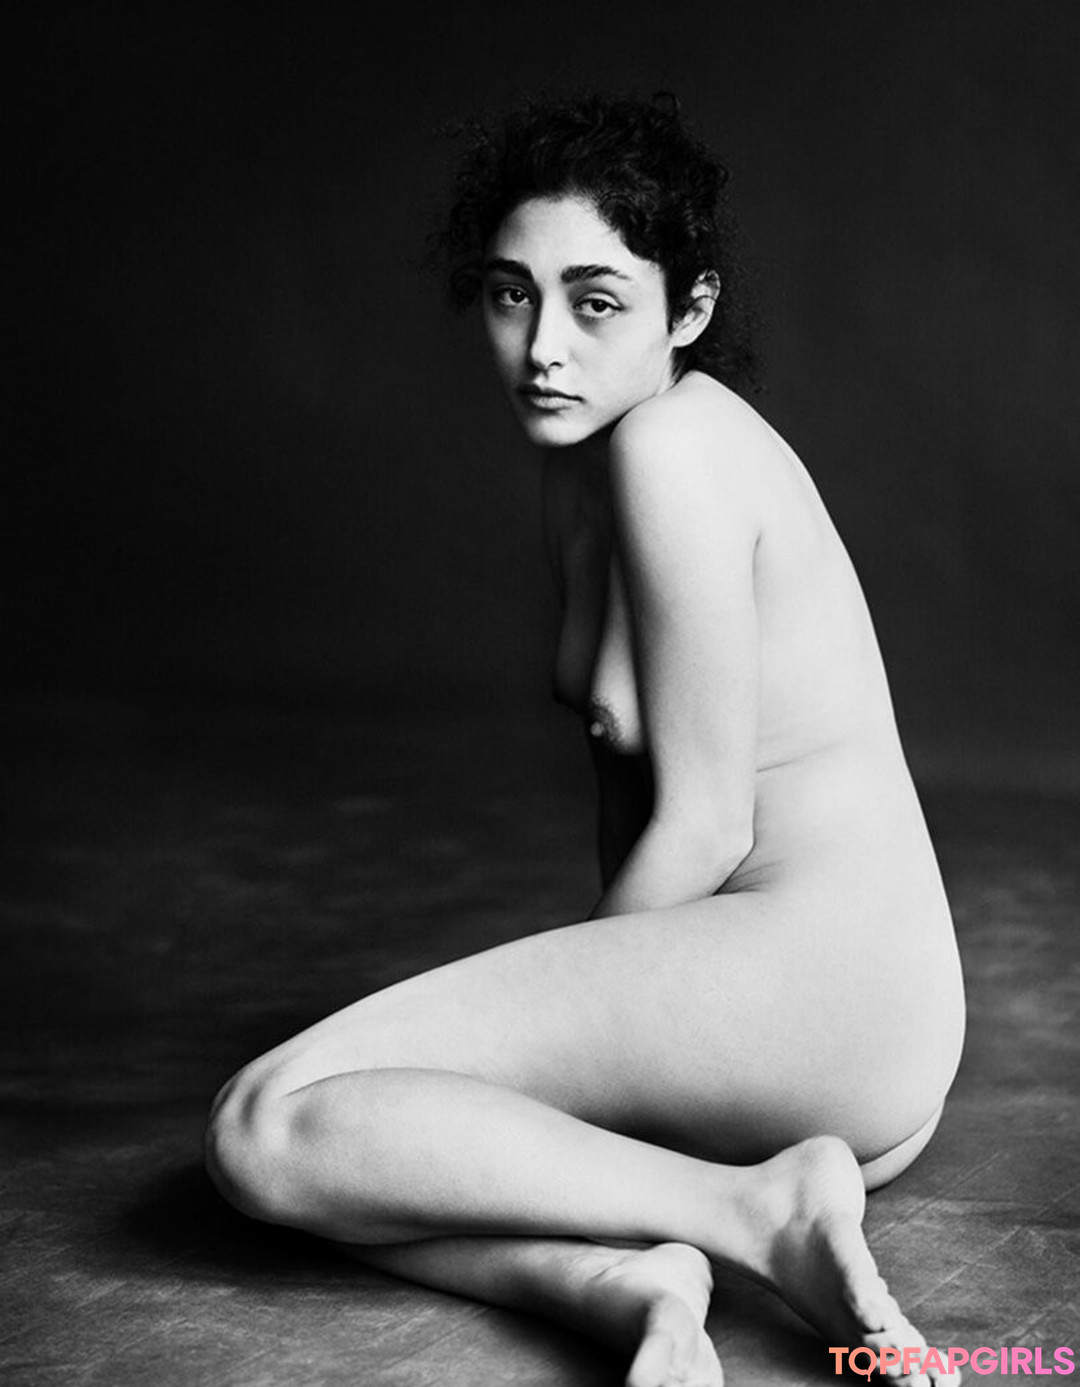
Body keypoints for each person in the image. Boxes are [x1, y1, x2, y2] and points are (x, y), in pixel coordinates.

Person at [205, 94, 966, 1387]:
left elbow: (708, 824)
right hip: (795, 1030)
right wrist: (542, 1085)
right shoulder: (585, 456)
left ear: (691, 308)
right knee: (395, 1155)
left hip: (827, 985)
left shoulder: (673, 447)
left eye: (596, 301)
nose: (542, 347)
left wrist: (553, 1066)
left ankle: (755, 1214)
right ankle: (626, 1283)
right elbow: (640, 799)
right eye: (513, 295)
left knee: (265, 1128)